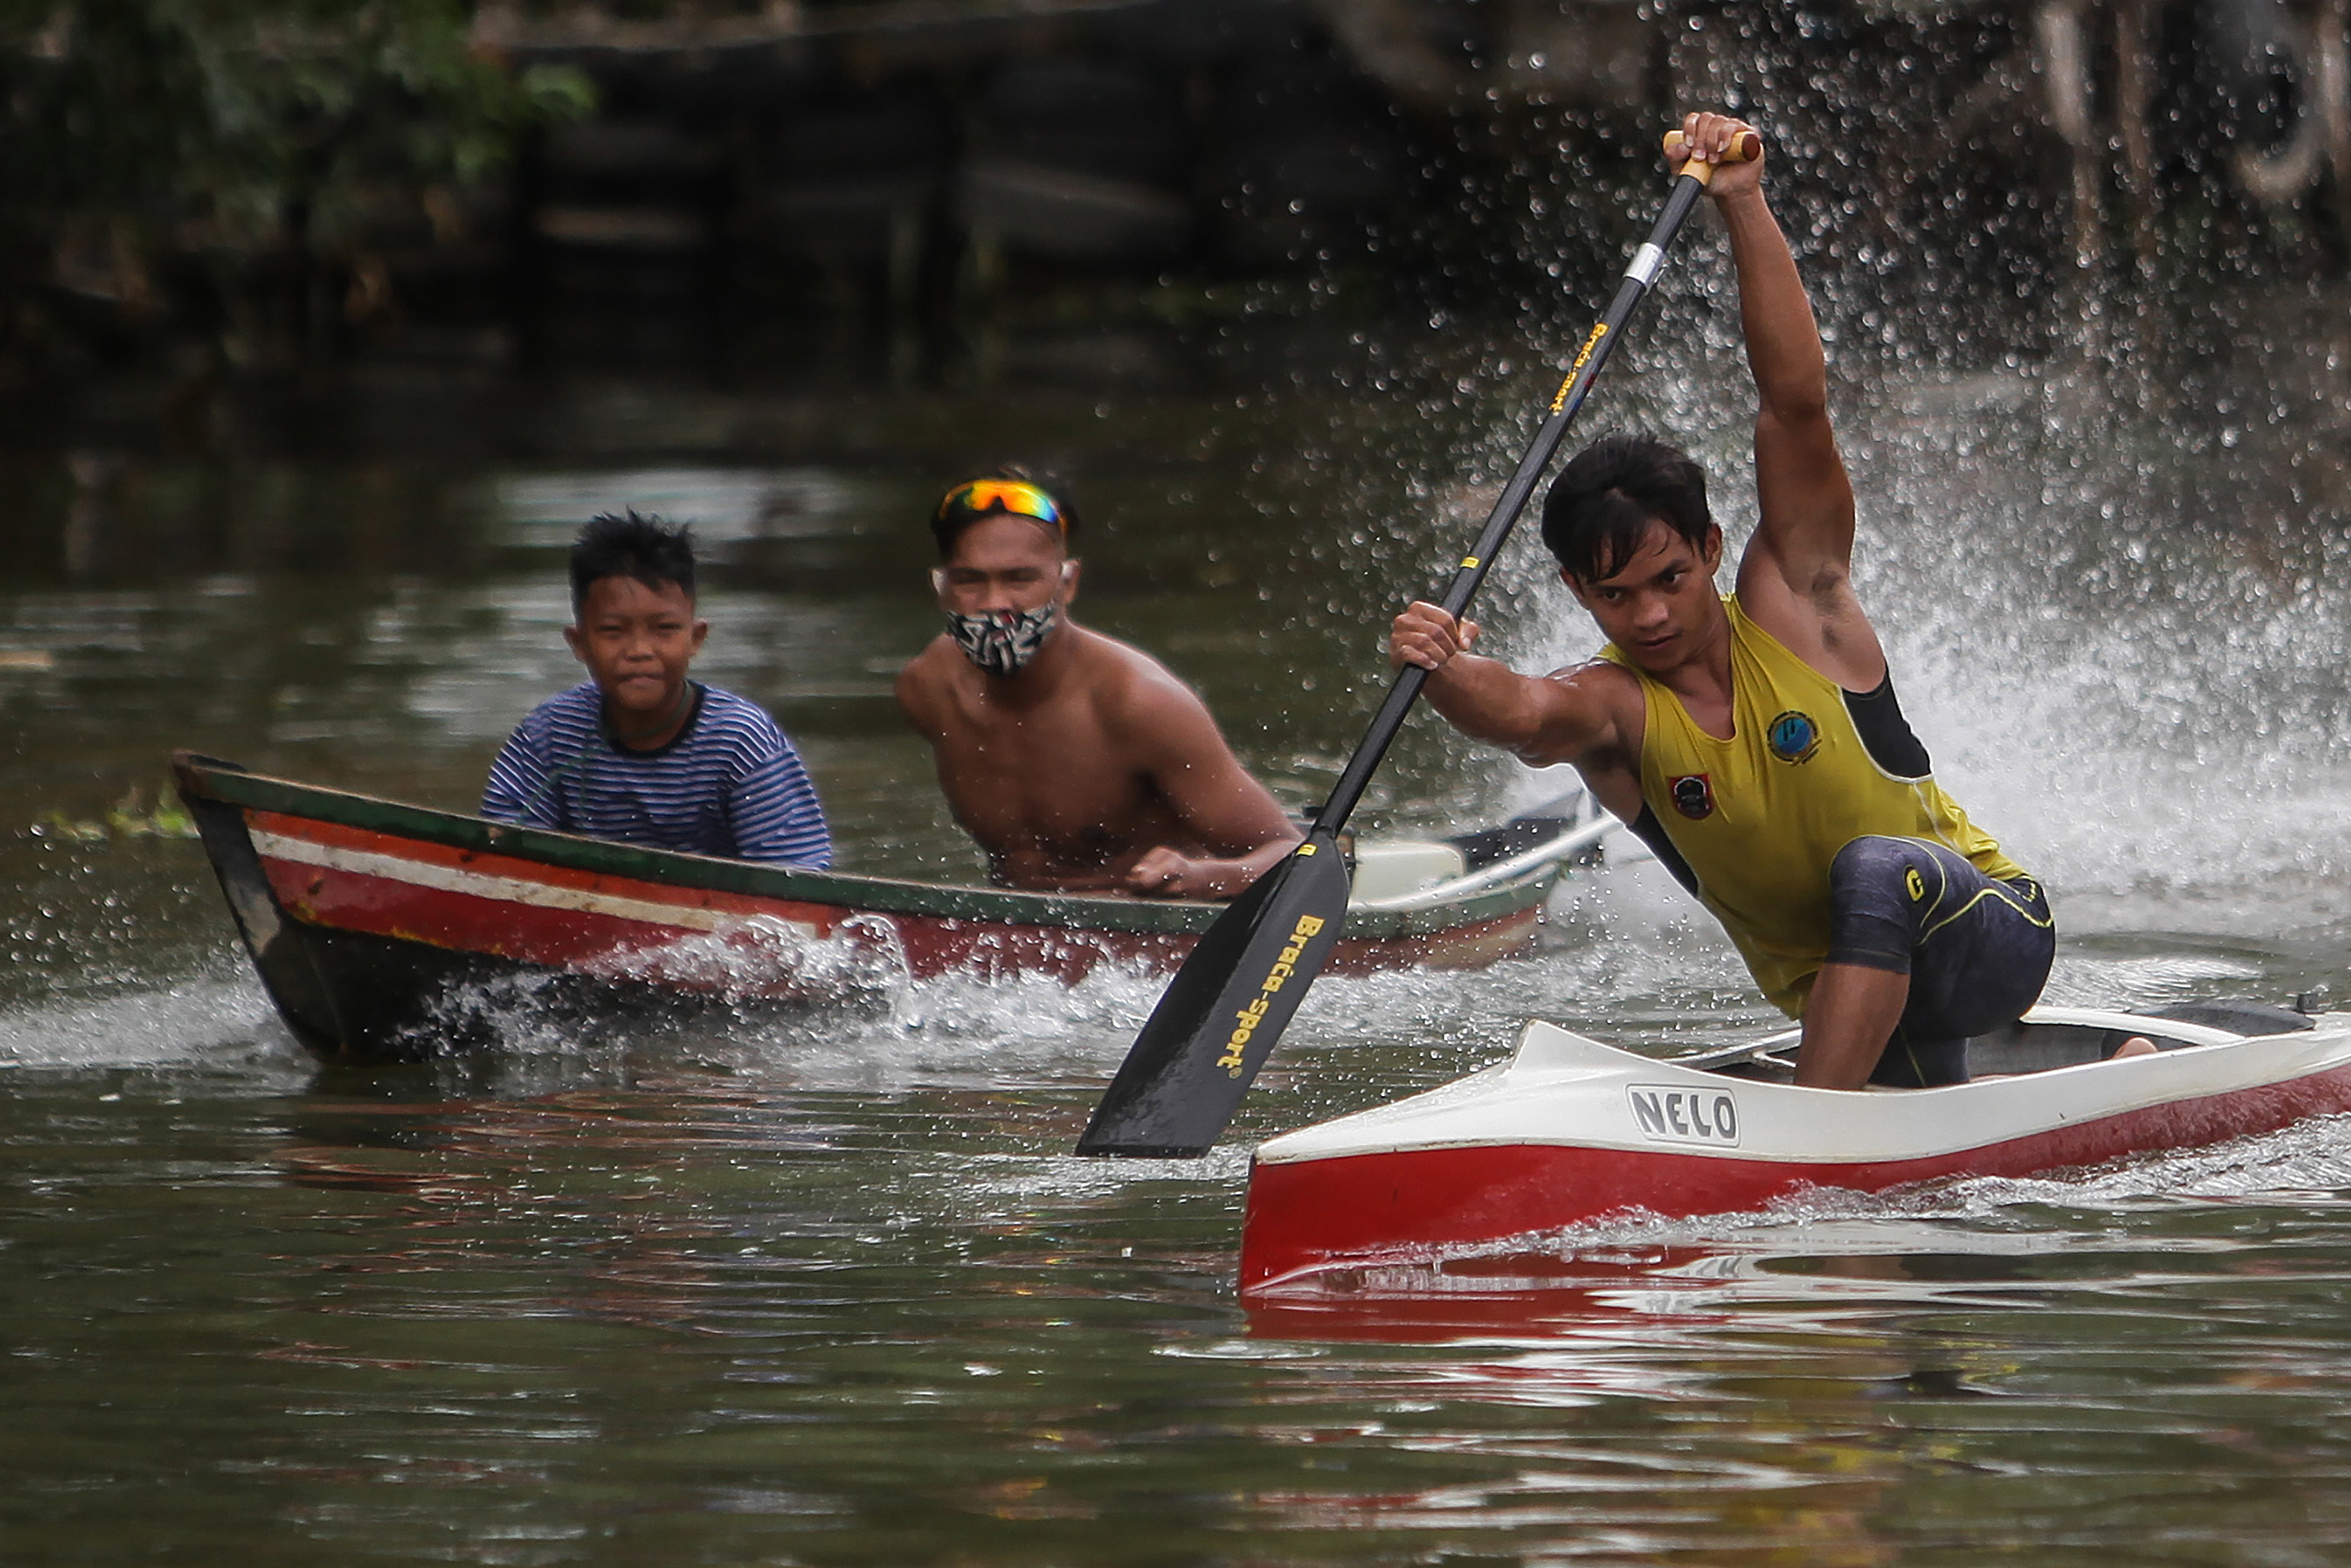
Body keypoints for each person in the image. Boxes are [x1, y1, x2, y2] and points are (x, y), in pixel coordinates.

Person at [1388, 111, 2065, 1090]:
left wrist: (1743, 201)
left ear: (1710, 548)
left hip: (1989, 931)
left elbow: (1795, 404)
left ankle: (1811, 1134)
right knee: (1925, 1142)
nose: (1652, 616)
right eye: (1616, 596)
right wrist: (1442, 665)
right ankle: (2074, 1075)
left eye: (1670, 578)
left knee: (1875, 870)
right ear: (1578, 591)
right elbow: (1521, 713)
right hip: (1860, 995)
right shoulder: (1612, 711)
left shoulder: (1795, 601)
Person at [896, 468, 1300, 897]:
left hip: (1143, 926)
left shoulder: (1141, 703)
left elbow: (1294, 854)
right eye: (970, 580)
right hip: (1009, 923)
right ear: (942, 587)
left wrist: (1205, 878)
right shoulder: (928, 690)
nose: (995, 603)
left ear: (1068, 583)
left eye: (1020, 579)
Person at [481, 510, 832, 867]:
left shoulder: (741, 740)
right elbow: (500, 854)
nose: (639, 651)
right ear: (579, 643)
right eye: (613, 631)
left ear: (696, 638)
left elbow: (796, 873)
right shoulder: (549, 734)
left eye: (664, 629)